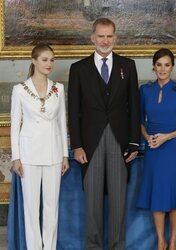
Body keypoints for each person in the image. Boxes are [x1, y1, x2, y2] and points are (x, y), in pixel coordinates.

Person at [68, 18, 140, 250]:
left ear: (115, 38)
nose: (105, 40)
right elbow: (74, 111)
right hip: (90, 143)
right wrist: (77, 145)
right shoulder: (78, 68)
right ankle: (93, 246)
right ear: (92, 38)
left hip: (120, 141)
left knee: (119, 200)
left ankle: (118, 246)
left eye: (109, 36)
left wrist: (133, 142)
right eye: (101, 36)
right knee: (93, 202)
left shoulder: (127, 66)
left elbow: (134, 108)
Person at [10, 44, 69, 250]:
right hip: (28, 155)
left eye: (52, 60)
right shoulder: (19, 90)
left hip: (53, 154)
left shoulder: (59, 89)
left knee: (51, 208)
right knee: (31, 208)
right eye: (45, 59)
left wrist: (65, 155)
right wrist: (16, 157)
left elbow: (62, 122)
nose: (49, 64)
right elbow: (15, 125)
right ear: (34, 61)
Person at [136, 48, 176, 250]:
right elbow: (139, 121)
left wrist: (166, 137)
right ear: (153, 67)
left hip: (172, 149)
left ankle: (173, 242)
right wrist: (148, 138)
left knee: (175, 195)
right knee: (157, 194)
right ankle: (161, 241)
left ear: (172, 67)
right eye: (159, 64)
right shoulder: (145, 90)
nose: (162, 69)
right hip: (153, 148)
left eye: (167, 65)